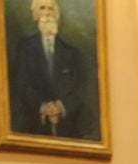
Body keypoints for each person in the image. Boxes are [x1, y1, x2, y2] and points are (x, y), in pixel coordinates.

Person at [10, 0, 95, 139]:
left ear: (56, 15)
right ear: (35, 15)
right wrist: (43, 107)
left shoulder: (72, 53)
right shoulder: (24, 48)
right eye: (43, 8)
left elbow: (79, 88)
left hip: (68, 127)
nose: (48, 13)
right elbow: (21, 85)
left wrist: (60, 107)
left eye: (51, 9)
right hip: (31, 124)